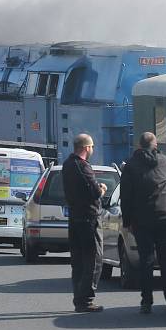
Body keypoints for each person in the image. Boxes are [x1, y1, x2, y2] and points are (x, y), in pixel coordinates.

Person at [120, 132, 166, 313]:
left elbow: (126, 197)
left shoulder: (130, 166)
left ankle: (146, 302)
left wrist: (127, 221)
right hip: (164, 217)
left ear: (139, 145)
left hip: (142, 220)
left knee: (146, 260)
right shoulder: (165, 162)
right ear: (155, 145)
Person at [62, 133, 107, 313]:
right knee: (93, 259)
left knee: (78, 261)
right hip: (88, 219)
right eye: (92, 147)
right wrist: (102, 188)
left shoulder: (66, 165)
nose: (92, 150)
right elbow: (94, 192)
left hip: (74, 218)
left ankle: (79, 297)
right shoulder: (82, 166)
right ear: (86, 148)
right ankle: (85, 299)